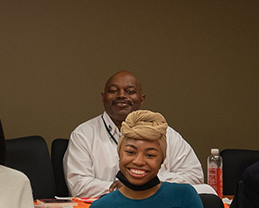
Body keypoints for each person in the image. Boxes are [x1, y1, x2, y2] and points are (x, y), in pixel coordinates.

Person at [79, 110, 216, 208]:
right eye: (130, 152)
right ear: (119, 155)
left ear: (162, 161)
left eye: (150, 155)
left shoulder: (184, 195)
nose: (138, 161)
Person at [63, 70, 206, 199]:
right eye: (113, 91)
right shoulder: (84, 134)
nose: (121, 96)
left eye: (130, 91)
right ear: (103, 97)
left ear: (141, 99)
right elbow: (78, 186)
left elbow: (195, 176)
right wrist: (121, 189)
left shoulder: (165, 133)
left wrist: (148, 184)